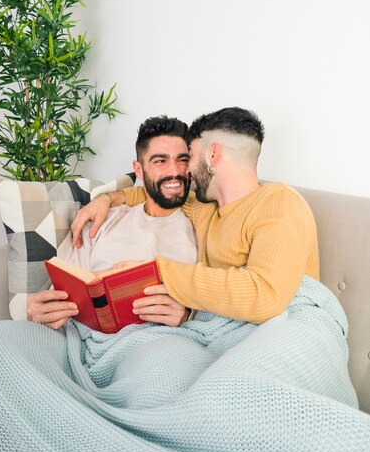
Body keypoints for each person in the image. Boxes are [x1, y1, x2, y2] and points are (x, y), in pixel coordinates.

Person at [71, 107, 319, 324]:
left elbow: (265, 297)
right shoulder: (205, 208)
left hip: (289, 328)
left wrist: (157, 270)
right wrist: (108, 198)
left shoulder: (281, 202)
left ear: (212, 155)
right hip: (223, 333)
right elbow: (159, 191)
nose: (185, 169)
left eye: (189, 156)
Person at [27, 115, 197, 329]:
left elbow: (214, 299)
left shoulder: (202, 225)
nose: (175, 171)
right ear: (138, 170)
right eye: (160, 161)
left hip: (159, 342)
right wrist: (46, 310)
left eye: (182, 160)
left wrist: (186, 316)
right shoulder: (104, 220)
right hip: (87, 338)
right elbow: (64, 294)